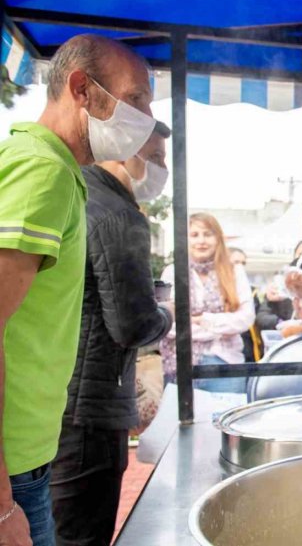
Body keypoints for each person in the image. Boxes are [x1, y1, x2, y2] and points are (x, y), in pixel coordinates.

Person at [0, 34, 155, 546]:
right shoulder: (42, 171)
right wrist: (1, 507)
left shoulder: (62, 173)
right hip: (13, 470)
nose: (146, 118)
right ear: (81, 89)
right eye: (136, 99)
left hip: (33, 453)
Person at [50, 123, 172, 546]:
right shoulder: (119, 214)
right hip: (93, 408)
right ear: (124, 151)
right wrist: (166, 314)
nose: (161, 170)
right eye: (155, 158)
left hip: (56, 397)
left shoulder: (74, 192)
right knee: (82, 534)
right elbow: (133, 325)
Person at [159, 213, 255, 394]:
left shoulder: (234, 271)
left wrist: (202, 319)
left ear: (218, 238)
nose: (201, 241)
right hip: (179, 365)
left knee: (225, 413)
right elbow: (167, 324)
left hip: (225, 365)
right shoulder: (172, 272)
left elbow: (245, 318)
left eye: (208, 234)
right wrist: (218, 329)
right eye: (194, 235)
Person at [228, 247, 262, 362]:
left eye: (243, 263)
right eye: (236, 262)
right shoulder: (214, 289)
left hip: (250, 350)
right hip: (226, 353)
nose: (240, 267)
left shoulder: (251, 291)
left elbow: (259, 317)